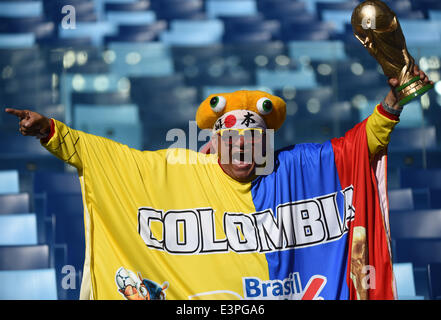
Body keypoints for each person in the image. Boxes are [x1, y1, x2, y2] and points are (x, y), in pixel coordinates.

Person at [5, 66, 433, 300]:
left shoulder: (299, 167)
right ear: (214, 140)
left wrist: (393, 101)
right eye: (233, 140)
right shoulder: (178, 170)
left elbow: (360, 146)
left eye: (253, 139)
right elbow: (106, 158)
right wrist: (51, 132)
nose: (243, 148)